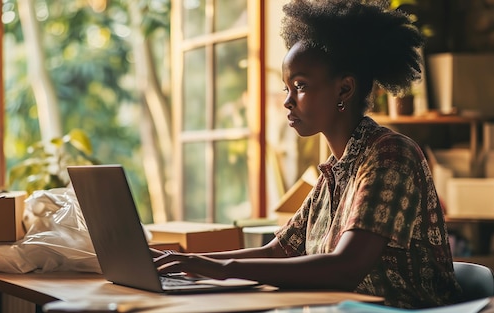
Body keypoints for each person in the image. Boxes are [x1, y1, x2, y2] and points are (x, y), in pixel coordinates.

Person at [152, 0, 463, 308]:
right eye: (287, 87)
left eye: (299, 85)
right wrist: (189, 261)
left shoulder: (391, 155)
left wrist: (222, 270)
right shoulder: (335, 171)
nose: (288, 101)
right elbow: (278, 252)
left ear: (344, 90)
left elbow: (345, 267)